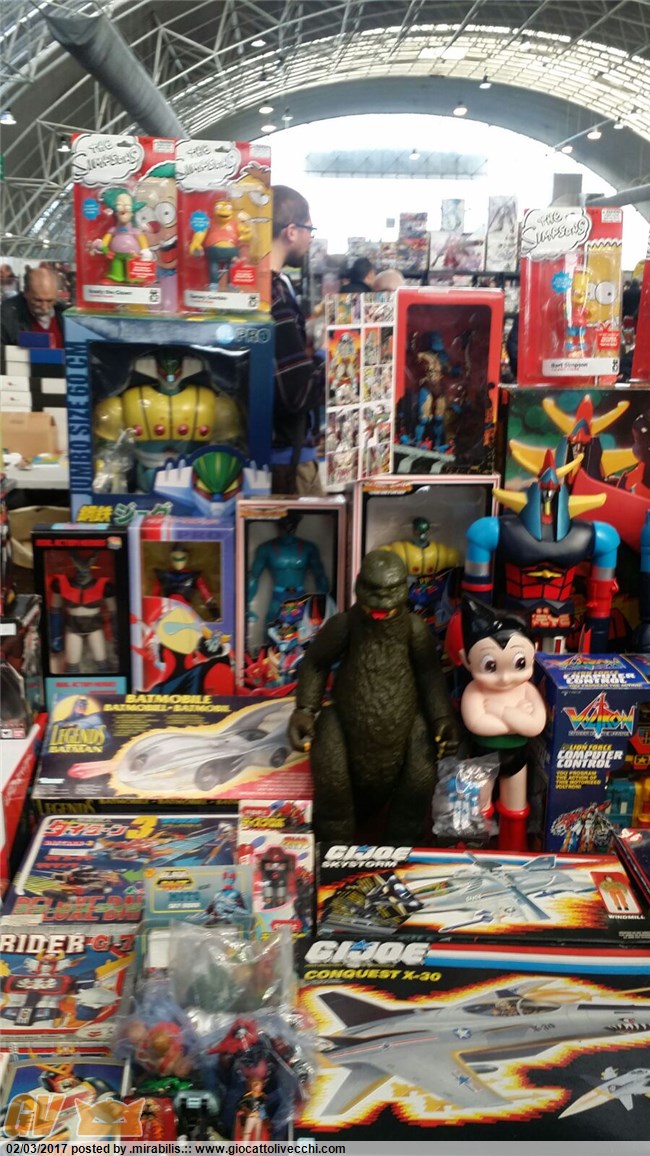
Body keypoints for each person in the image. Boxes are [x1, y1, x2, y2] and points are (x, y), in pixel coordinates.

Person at [270, 185, 324, 496]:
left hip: (270, 451)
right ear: (291, 231)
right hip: (286, 462)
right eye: (309, 229)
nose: (311, 237)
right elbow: (298, 393)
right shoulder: (274, 294)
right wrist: (332, 359)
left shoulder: (259, 287)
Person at [1, 266, 66, 369]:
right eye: (38, 300)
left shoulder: (64, 315)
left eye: (50, 301)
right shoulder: (6, 317)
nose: (44, 307)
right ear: (26, 292)